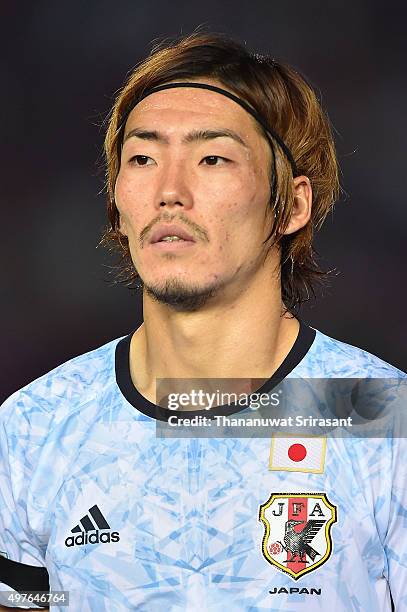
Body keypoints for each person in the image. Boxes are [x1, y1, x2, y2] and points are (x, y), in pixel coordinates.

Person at [0, 32, 406, 612]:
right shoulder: (33, 429)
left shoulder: (380, 416)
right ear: (117, 203)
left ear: (292, 204)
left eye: (212, 157)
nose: (170, 191)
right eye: (143, 158)